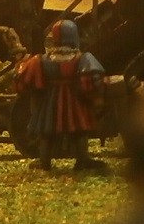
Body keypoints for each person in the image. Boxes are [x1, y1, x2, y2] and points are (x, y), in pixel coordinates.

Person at [14, 18, 107, 171]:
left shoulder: (42, 60)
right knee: (79, 130)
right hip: (75, 102)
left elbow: (25, 78)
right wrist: (96, 96)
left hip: (51, 103)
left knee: (47, 132)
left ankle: (45, 161)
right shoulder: (83, 59)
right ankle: (82, 160)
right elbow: (93, 78)